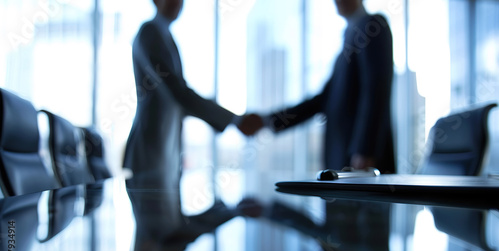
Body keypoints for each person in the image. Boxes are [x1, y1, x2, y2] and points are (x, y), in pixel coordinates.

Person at [123, 0, 261, 189]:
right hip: (150, 148)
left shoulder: (165, 35)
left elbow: (178, 97)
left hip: (163, 147)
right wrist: (234, 120)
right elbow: (178, 92)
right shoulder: (150, 33)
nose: (177, 2)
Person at [255, 0, 395, 173]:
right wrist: (267, 121)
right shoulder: (348, 39)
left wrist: (365, 149)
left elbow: (376, 89)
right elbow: (321, 101)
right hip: (342, 158)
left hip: (361, 162)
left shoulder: (372, 25)